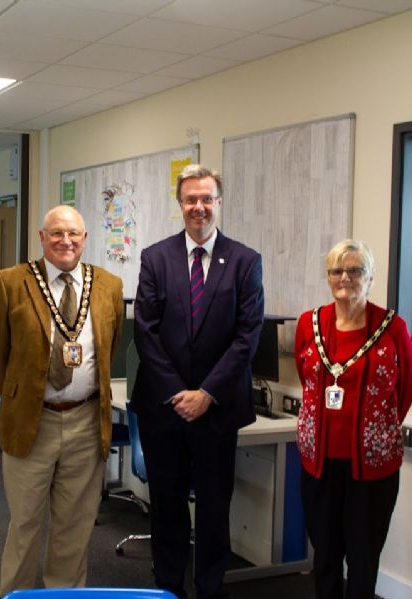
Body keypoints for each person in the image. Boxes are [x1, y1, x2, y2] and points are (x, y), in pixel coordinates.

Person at [131, 164, 264, 599]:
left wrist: (206, 393)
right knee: (166, 507)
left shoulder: (245, 261)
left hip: (217, 411)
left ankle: (209, 589)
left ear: (219, 203)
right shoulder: (155, 258)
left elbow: (248, 336)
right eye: (191, 199)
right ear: (180, 204)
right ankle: (168, 588)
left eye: (207, 199)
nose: (199, 207)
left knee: (213, 510)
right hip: (163, 409)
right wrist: (177, 392)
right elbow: (145, 333)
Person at [0, 205, 123, 596]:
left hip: (84, 422)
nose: (66, 241)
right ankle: (15, 594)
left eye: (73, 234)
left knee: (74, 528)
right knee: (25, 524)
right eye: (57, 233)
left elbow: (110, 346)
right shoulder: (11, 282)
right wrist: (21, 396)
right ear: (42, 238)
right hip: (33, 421)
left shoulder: (109, 286)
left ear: (85, 239)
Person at [294, 239, 412, 599]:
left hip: (372, 470)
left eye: (355, 269)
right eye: (336, 270)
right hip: (319, 465)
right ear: (329, 277)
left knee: (363, 560)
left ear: (371, 276)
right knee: (325, 556)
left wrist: (374, 428)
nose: (345, 277)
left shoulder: (392, 328)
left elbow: (404, 389)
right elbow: (307, 377)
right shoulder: (309, 323)